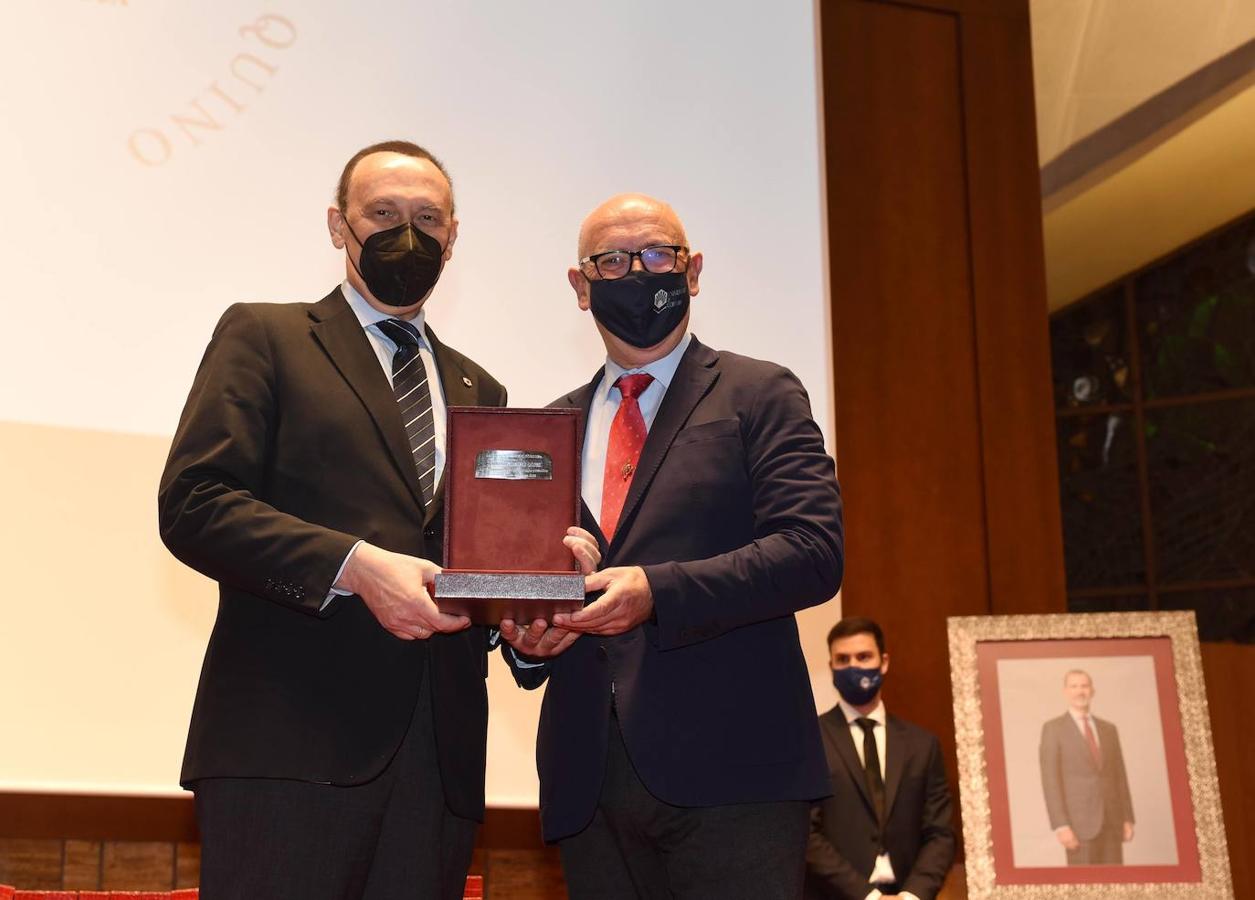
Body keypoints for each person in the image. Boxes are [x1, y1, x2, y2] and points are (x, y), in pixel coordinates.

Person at [158, 140, 597, 900]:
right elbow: (195, 502)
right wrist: (356, 566)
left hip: (437, 760)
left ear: (453, 237)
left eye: (428, 219)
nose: (408, 235)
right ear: (339, 225)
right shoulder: (266, 336)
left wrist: (524, 623)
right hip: (287, 750)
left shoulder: (480, 391)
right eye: (383, 214)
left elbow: (475, 563)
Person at [499, 193, 844, 899]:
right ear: (579, 284)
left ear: (692, 272)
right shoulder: (546, 427)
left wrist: (657, 592)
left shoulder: (759, 393)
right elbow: (535, 575)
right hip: (588, 779)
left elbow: (813, 552)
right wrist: (527, 637)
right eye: (612, 259)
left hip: (735, 773)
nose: (638, 271)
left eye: (658, 254)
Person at [805, 617, 955, 900]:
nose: (854, 667)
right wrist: (869, 897)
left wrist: (911, 895)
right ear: (831, 668)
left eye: (863, 657)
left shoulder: (923, 745)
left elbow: (940, 834)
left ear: (883, 662)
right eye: (843, 659)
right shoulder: (811, 742)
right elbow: (806, 835)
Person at [1039, 669, 1135, 865]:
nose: (1080, 691)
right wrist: (1061, 825)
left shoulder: (1109, 730)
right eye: (1074, 686)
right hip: (1078, 826)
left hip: (1112, 823)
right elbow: (1050, 782)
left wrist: (1127, 817)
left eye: (1084, 686)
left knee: (1115, 888)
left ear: (1092, 690)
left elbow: (1119, 776)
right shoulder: (1053, 729)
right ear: (1065, 691)